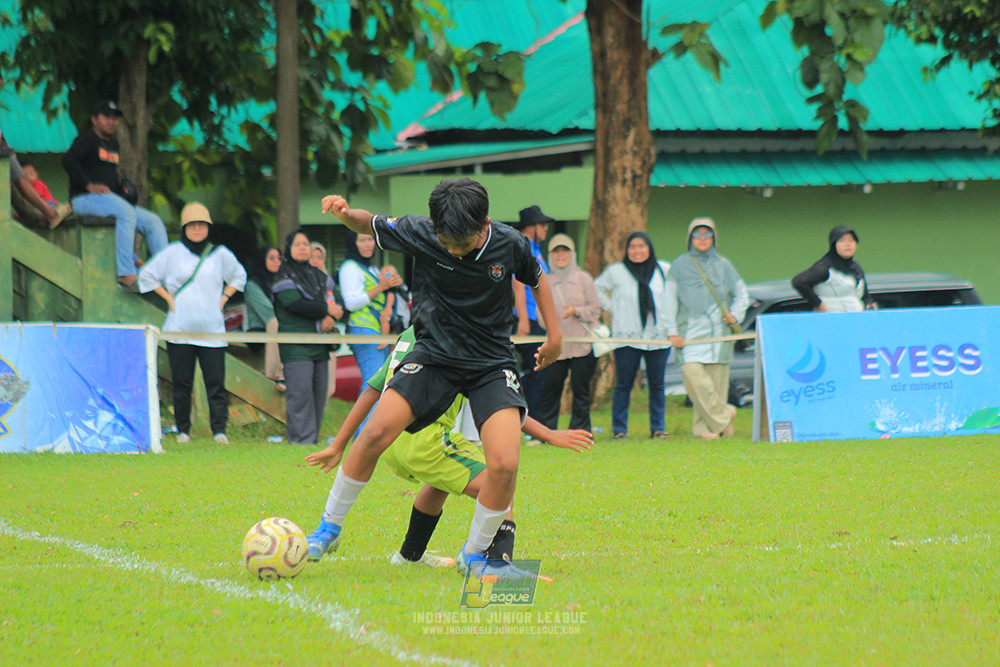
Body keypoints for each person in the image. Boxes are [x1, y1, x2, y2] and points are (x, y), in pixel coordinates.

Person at [307, 177, 562, 577]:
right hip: (434, 356)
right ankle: (328, 529)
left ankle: (474, 556)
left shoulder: (510, 243)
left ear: (486, 224)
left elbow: (537, 278)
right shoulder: (420, 231)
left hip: (491, 362)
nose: (454, 250)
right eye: (447, 243)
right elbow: (367, 222)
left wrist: (557, 337)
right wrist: (344, 213)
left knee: (505, 464)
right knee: (374, 434)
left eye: (463, 243)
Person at [305, 326, 592, 568]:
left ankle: (408, 556)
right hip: (424, 441)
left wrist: (339, 444)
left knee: (441, 481)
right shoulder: (464, 338)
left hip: (389, 441)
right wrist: (549, 434)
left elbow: (373, 390)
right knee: (500, 481)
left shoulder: (413, 332)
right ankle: (494, 563)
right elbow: (500, 406)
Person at [138, 202, 247, 444]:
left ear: (208, 227)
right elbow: (146, 274)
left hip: (212, 330)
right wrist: (168, 298)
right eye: (192, 225)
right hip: (179, 330)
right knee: (181, 383)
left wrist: (223, 299)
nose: (197, 229)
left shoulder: (219, 254)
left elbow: (239, 275)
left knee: (216, 383)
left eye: (202, 225)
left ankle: (219, 430)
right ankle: (183, 430)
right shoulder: (173, 252)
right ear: (184, 228)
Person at [62, 100, 169, 291]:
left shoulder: (113, 144)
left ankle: (166, 274)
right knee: (127, 213)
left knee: (153, 221)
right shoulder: (87, 140)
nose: (111, 122)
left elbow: (106, 174)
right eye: (106, 117)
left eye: (114, 118)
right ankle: (126, 273)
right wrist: (88, 185)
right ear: (94, 119)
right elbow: (68, 160)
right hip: (83, 199)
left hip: (109, 201)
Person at [664, 218, 749, 440]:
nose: (702, 239)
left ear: (714, 238)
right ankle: (726, 414)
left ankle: (707, 429)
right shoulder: (679, 266)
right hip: (689, 337)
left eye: (707, 234)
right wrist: (672, 331)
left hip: (719, 339)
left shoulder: (724, 265)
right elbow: (668, 301)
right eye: (697, 234)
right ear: (690, 238)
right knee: (697, 382)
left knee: (716, 388)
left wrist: (735, 315)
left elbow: (742, 294)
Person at [595, 231, 673, 440]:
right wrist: (614, 309)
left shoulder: (663, 269)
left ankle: (658, 428)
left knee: (657, 385)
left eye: (641, 246)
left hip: (658, 336)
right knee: (624, 384)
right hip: (627, 337)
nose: (637, 251)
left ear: (649, 248)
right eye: (632, 247)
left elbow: (675, 294)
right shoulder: (617, 271)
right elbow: (597, 289)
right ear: (627, 250)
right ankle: (619, 430)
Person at [273, 229, 344, 444]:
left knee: (319, 394)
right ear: (288, 249)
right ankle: (300, 440)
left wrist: (331, 317)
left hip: (321, 345)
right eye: (297, 245)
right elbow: (294, 304)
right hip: (296, 346)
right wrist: (327, 310)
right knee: (300, 393)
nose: (303, 248)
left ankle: (310, 438)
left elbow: (339, 302)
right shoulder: (283, 275)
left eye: (306, 244)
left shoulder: (319, 276)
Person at [537, 233, 601, 432]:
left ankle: (580, 431)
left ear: (573, 254)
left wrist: (576, 311)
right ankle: (546, 432)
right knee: (550, 390)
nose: (561, 255)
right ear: (550, 255)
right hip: (557, 347)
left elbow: (595, 310)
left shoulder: (584, 278)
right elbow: (540, 316)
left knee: (581, 390)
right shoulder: (544, 280)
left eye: (565, 251)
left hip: (582, 345)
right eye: (556, 251)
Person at [338, 230, 401, 382]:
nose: (367, 244)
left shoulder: (371, 269)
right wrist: (380, 288)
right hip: (363, 329)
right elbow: (351, 303)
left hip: (379, 331)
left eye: (370, 239)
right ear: (353, 243)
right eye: (362, 240)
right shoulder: (349, 267)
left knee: (378, 382)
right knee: (373, 382)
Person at [511, 205, 552, 419]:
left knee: (538, 372)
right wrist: (523, 320)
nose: (546, 230)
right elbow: (518, 286)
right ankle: (529, 421)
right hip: (526, 319)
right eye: (542, 225)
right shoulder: (522, 249)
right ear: (531, 227)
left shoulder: (537, 250)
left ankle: (527, 418)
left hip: (537, 319)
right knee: (537, 371)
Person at [791, 225, 876, 312]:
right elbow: (798, 281)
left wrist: (869, 304)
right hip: (831, 320)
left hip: (857, 320)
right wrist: (817, 303)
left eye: (852, 240)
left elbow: (866, 297)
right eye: (842, 240)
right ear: (834, 244)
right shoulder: (825, 268)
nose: (848, 244)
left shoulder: (856, 268)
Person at [243, 245, 285, 389]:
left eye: (279, 258)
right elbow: (269, 312)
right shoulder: (253, 285)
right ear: (262, 260)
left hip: (281, 327)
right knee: (275, 323)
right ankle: (276, 374)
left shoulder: (283, 281)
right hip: (259, 330)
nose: (276, 262)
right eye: (271, 258)